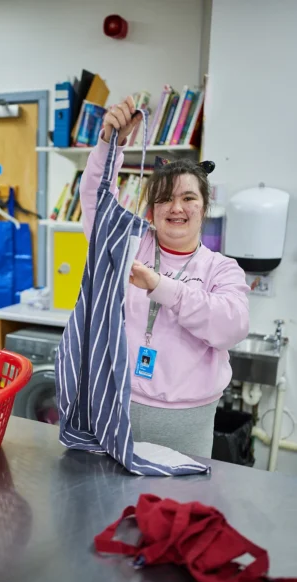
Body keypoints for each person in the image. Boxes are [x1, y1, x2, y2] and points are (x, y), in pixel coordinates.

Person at [79, 95, 250, 458]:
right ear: (151, 210)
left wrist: (161, 287)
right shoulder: (131, 244)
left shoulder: (222, 268)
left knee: (177, 510)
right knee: (109, 505)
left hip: (186, 425)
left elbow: (230, 327)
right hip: (115, 406)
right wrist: (110, 144)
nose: (176, 208)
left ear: (204, 209)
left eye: (188, 198)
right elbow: (97, 202)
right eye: (164, 199)